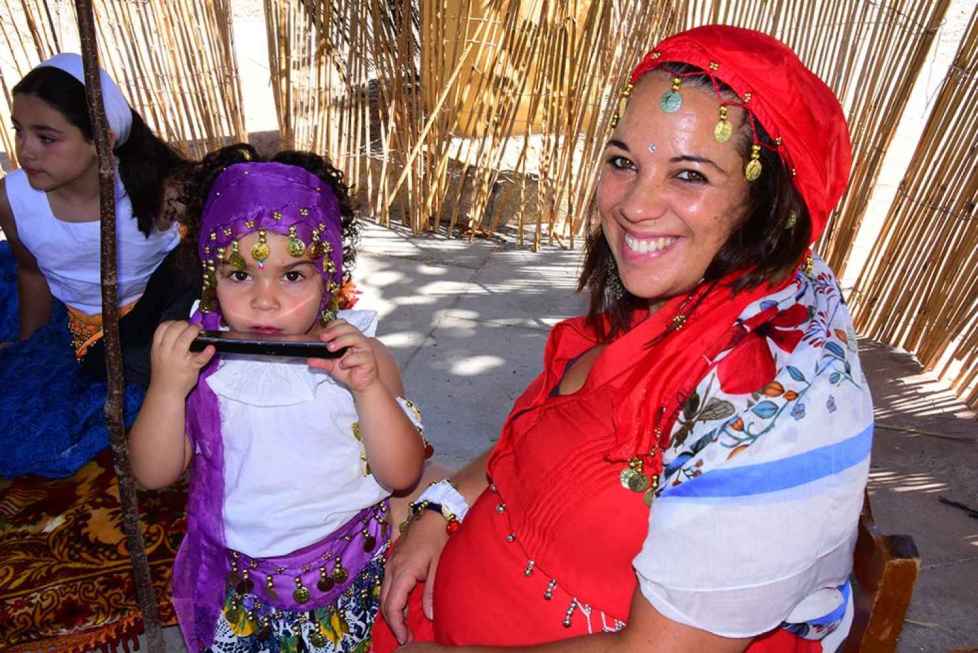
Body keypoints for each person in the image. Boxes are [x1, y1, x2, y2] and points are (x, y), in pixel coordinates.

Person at [375, 25, 871, 653]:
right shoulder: (673, 300)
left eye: (688, 175)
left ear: (764, 200)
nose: (637, 204)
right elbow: (530, 447)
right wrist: (439, 509)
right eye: (623, 162)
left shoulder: (772, 403)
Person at [127, 144, 429, 653]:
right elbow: (153, 474)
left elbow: (402, 475)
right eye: (239, 273)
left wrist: (369, 390)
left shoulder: (362, 358)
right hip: (247, 594)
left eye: (293, 275)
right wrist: (167, 388)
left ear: (329, 275)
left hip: (352, 580)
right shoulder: (201, 364)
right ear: (209, 276)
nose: (264, 299)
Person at [0, 53, 196, 478]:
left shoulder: (161, 190)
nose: (25, 150)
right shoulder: (13, 199)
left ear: (102, 140)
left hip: (159, 314)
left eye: (46, 137)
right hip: (80, 326)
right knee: (26, 435)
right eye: (19, 130)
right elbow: (31, 272)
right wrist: (29, 344)